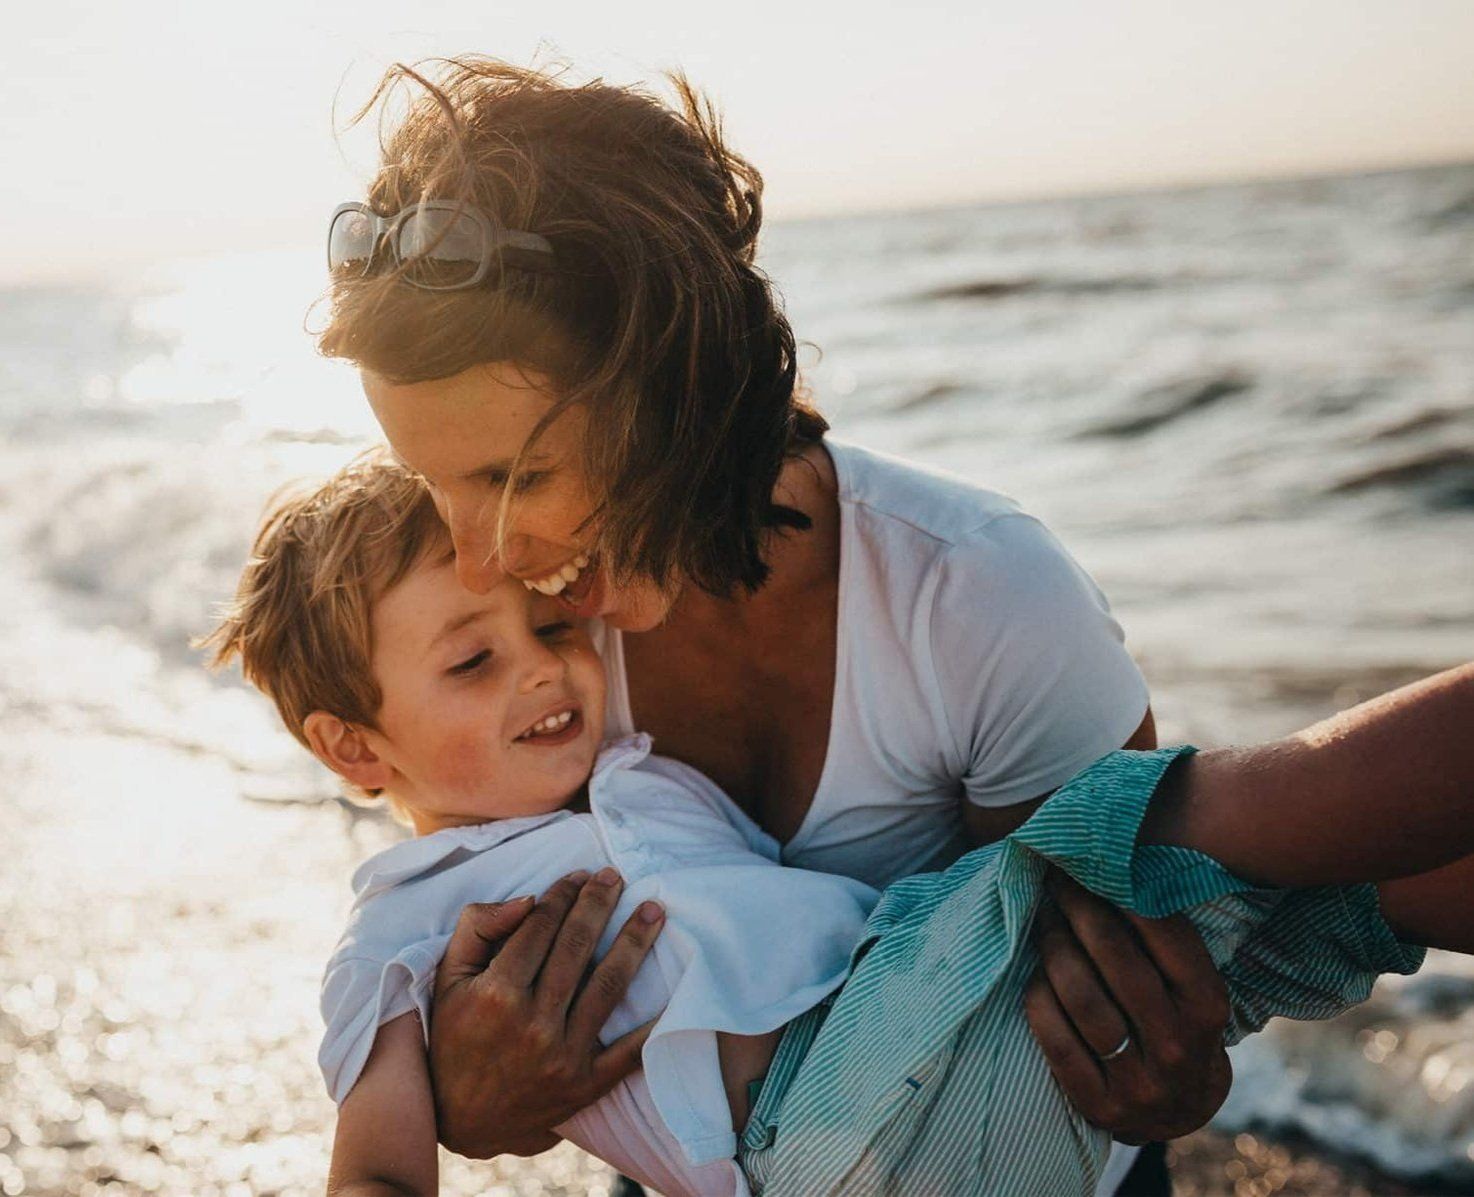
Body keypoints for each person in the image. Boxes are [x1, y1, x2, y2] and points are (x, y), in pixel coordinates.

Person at [316, 56, 1227, 1193]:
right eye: (431, 485)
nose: (481, 555)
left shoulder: (979, 600)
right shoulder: (528, 641)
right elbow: (472, 905)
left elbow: (1113, 1005)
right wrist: (475, 1101)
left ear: (678, 389)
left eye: (517, 476)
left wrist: (1170, 1076)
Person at [205, 453, 1474, 1197]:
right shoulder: (404, 922)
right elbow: (373, 1167)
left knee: (1342, 901)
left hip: (957, 1084)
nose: (547, 669)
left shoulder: (640, 778)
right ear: (354, 748)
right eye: (470, 665)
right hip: (820, 1132)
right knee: (1181, 826)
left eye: (546, 628)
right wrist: (462, 1106)